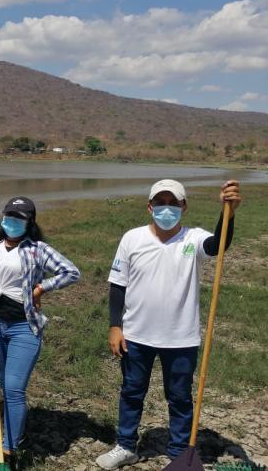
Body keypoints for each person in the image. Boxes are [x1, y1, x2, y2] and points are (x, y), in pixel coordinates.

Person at [96, 179, 242, 469]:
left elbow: (218, 245)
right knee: (131, 391)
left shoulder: (193, 239)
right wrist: (115, 326)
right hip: (136, 334)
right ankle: (126, 446)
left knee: (179, 397)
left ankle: (179, 453)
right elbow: (118, 285)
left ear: (184, 207)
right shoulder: (132, 238)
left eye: (173, 203)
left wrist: (229, 213)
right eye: (160, 203)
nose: (167, 209)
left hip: (181, 337)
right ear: (150, 207)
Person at [0, 196, 80, 466]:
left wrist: (41, 288)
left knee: (14, 388)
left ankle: (9, 451)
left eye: (19, 218)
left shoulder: (38, 249)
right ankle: (11, 428)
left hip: (24, 327)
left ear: (29, 222)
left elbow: (71, 272)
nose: (12, 221)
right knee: (3, 383)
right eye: (9, 215)